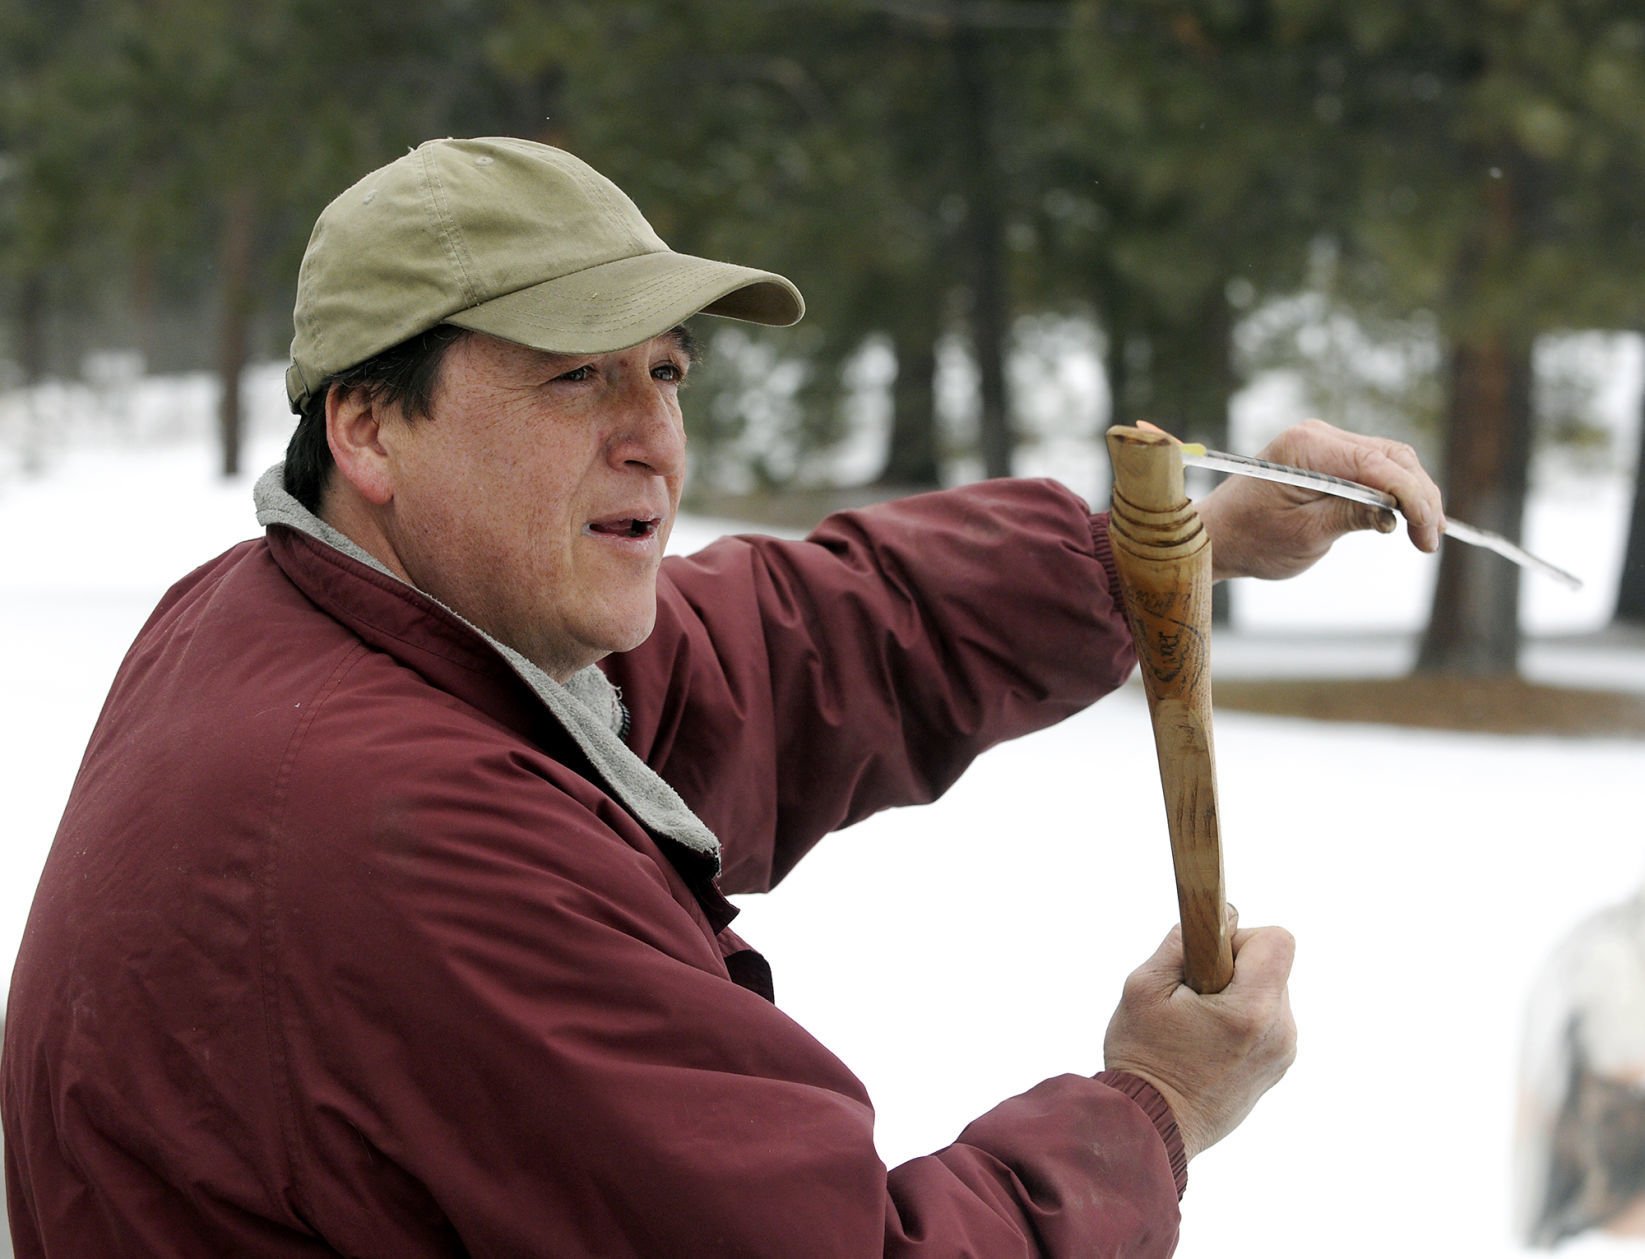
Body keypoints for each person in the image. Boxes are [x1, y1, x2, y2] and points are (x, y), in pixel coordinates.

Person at [1, 136, 1445, 1257]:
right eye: (574, 378)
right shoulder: (401, 830)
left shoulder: (321, 620)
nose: (652, 440)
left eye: (667, 373)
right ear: (369, 427)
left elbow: (801, 643)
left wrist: (1167, 548)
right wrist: (1154, 1111)